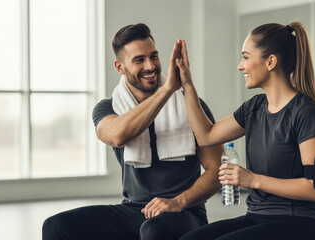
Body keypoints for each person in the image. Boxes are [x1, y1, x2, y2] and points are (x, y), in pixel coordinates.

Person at [42, 23, 223, 240]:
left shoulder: (191, 105)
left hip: (183, 211)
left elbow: (216, 170)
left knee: (154, 230)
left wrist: (179, 202)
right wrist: (166, 91)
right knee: (56, 226)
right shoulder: (108, 108)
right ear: (120, 67)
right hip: (133, 209)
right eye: (139, 60)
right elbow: (118, 135)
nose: (150, 66)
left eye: (154, 56)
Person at [175, 22, 315, 240]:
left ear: (270, 62)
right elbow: (206, 136)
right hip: (257, 216)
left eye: (246, 57)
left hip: (299, 222)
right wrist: (188, 85)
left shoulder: (306, 113)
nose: (240, 66)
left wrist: (252, 180)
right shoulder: (254, 107)